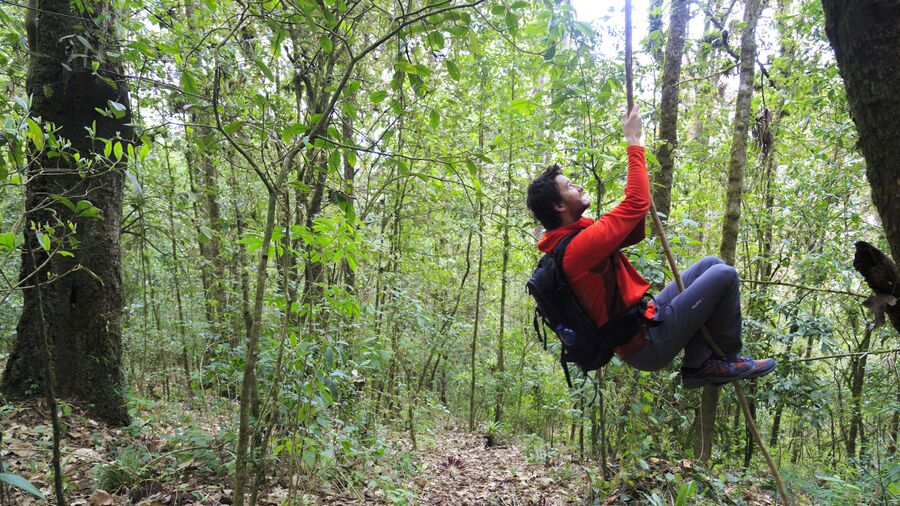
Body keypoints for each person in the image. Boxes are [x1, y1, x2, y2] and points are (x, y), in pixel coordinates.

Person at [525, 104, 776, 388]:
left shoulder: (575, 240)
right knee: (725, 276)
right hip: (645, 345)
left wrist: (635, 212)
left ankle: (700, 361)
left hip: (647, 319)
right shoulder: (578, 249)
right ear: (559, 206)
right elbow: (635, 203)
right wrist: (634, 142)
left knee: (711, 264)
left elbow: (632, 232)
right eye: (570, 186)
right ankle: (717, 362)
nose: (579, 187)